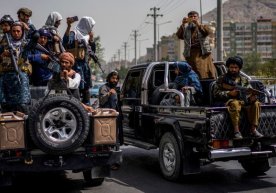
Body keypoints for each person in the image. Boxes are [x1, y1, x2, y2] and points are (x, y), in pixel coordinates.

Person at [212, 56, 263, 139]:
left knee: (256, 104)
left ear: (239, 68)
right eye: (231, 67)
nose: (233, 69)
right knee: (235, 103)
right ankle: (236, 131)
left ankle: (253, 129)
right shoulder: (222, 79)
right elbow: (216, 93)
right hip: (229, 101)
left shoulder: (243, 80)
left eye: (236, 67)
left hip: (243, 102)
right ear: (228, 67)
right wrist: (229, 93)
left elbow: (248, 91)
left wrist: (251, 98)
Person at [63, 16, 95, 105]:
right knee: (76, 88)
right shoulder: (74, 33)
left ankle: (87, 107)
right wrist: (68, 26)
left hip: (85, 66)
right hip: (76, 65)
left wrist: (92, 40)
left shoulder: (88, 36)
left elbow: (93, 51)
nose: (91, 28)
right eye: (90, 26)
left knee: (86, 90)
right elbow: (65, 42)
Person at [0, 22, 31, 113]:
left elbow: (36, 36)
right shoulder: (4, 44)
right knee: (5, 105)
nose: (16, 33)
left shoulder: (26, 44)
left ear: (22, 32)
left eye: (18, 31)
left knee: (22, 104)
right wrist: (3, 55)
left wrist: (28, 29)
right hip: (6, 77)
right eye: (13, 31)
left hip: (20, 77)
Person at [176, 11, 216, 79]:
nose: (193, 18)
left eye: (195, 17)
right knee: (192, 74)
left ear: (198, 18)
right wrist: (183, 24)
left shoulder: (203, 26)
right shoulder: (186, 29)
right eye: (191, 17)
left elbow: (207, 32)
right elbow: (179, 36)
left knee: (205, 73)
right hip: (191, 54)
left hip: (203, 54)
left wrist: (198, 24)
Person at [98, 71, 123, 170]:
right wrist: (109, 94)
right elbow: (101, 101)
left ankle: (116, 161)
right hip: (107, 118)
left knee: (116, 140)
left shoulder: (117, 89)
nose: (115, 80)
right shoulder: (104, 88)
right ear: (109, 78)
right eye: (113, 78)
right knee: (107, 139)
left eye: (116, 79)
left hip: (117, 117)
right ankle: (107, 161)